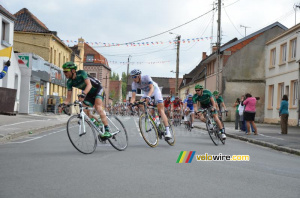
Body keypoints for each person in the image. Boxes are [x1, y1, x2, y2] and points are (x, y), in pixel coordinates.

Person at [61, 61, 112, 139]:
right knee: (85, 111)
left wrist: (83, 94)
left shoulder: (81, 73)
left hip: (97, 89)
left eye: (66, 71)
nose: (64, 73)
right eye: (63, 71)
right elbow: (68, 98)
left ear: (73, 70)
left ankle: (107, 130)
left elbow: (89, 85)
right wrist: (64, 104)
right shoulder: (69, 82)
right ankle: (98, 124)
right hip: (89, 94)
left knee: (98, 107)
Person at [129, 69, 172, 140]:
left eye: (135, 77)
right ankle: (151, 117)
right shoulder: (134, 84)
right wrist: (131, 103)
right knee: (140, 104)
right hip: (146, 93)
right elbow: (133, 97)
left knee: (160, 110)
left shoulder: (146, 77)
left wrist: (148, 97)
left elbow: (151, 88)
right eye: (132, 77)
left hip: (155, 91)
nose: (133, 79)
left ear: (139, 76)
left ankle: (168, 132)